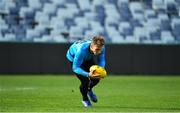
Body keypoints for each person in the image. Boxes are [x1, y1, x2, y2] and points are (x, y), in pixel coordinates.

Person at [66, 36, 105, 107]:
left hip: (87, 58)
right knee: (85, 81)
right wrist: (88, 74)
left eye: (100, 49)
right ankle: (85, 99)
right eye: (97, 49)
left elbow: (102, 60)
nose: (99, 52)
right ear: (92, 46)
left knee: (97, 77)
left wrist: (101, 69)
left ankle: (89, 90)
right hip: (74, 59)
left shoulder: (101, 48)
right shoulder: (81, 51)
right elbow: (75, 68)